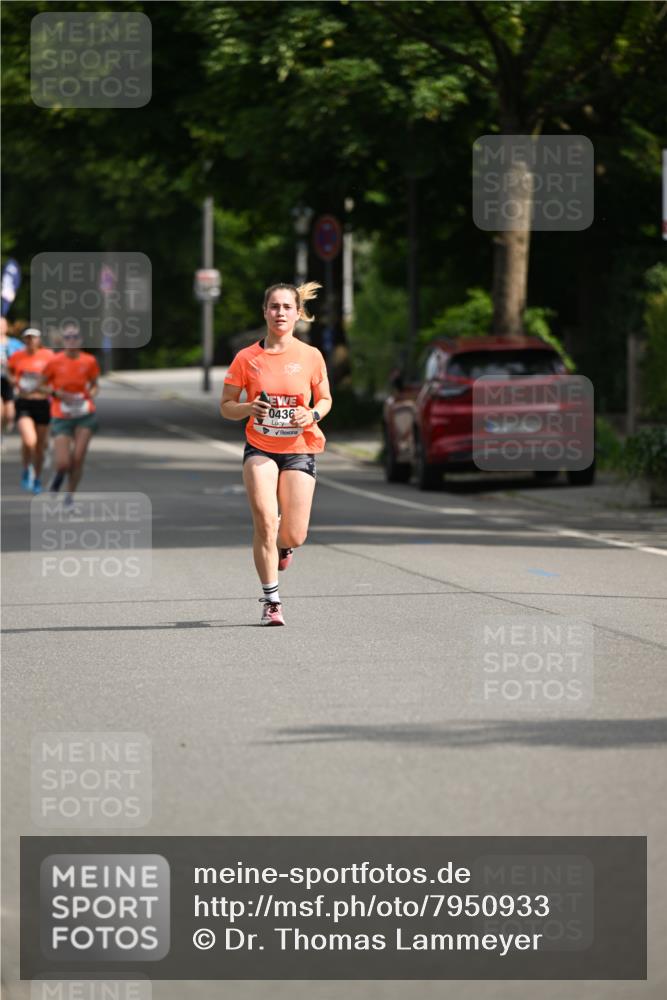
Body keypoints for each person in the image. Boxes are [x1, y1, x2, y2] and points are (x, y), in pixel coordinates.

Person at [220, 282, 332, 626]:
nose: (280, 313)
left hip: (299, 448)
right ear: (264, 311)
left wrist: (311, 414)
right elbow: (226, 407)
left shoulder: (311, 356)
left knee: (294, 533)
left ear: (298, 313)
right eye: (273, 307)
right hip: (260, 447)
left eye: (286, 307)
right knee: (265, 521)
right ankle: (271, 600)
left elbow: (325, 400)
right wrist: (247, 408)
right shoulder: (246, 358)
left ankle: (285, 547)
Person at [39, 323, 100, 508]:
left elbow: (95, 384)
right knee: (64, 462)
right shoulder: (54, 361)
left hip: (84, 412)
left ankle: (70, 496)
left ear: (81, 340)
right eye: (68, 337)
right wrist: (56, 393)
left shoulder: (89, 361)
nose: (71, 341)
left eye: (75, 337)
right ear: (63, 341)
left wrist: (89, 394)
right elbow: (41, 385)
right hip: (61, 413)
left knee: (79, 457)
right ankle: (58, 478)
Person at [7, 327, 54, 493]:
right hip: (24, 402)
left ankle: (37, 478)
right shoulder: (17, 356)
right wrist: (14, 381)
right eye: (27, 338)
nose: (30, 341)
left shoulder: (48, 356)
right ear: (24, 340)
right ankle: (26, 468)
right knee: (29, 441)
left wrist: (47, 387)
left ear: (39, 340)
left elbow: (55, 375)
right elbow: (10, 370)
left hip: (42, 403)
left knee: (40, 446)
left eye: (33, 338)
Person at [0, 316, 24, 435]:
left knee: (9, 414)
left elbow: (25, 359)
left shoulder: (15, 344)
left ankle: (3, 431)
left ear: (6, 327)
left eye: (2, 325)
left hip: (10, 380)